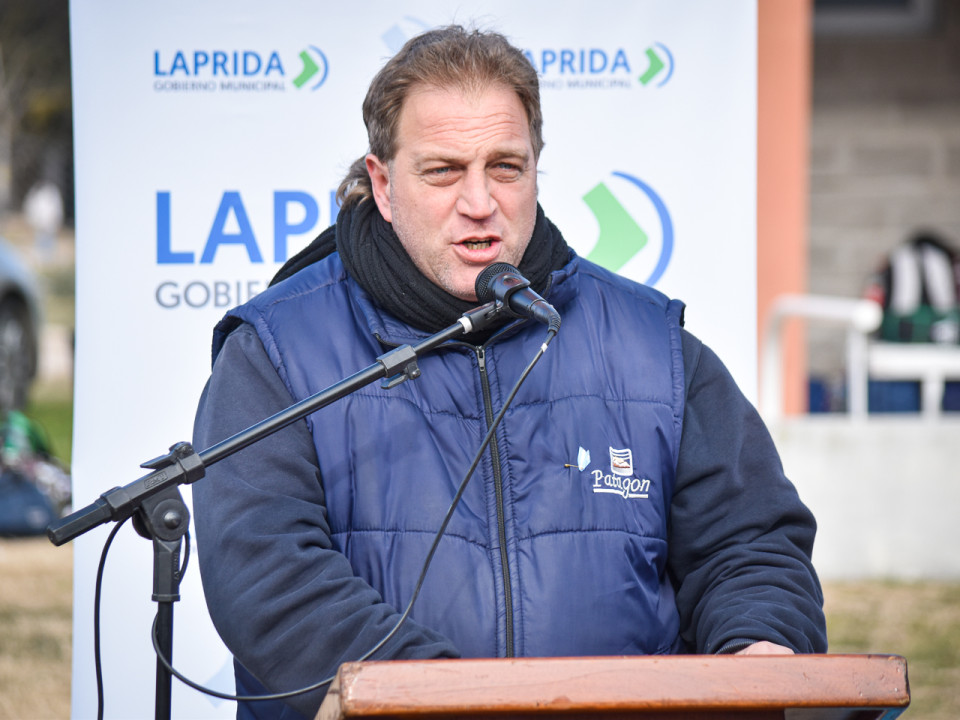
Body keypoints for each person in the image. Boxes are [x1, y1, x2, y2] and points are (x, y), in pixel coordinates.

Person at [192, 25, 827, 720]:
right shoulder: (277, 349)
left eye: (505, 167)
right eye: (443, 171)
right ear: (383, 184)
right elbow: (266, 572)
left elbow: (749, 545)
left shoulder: (655, 346)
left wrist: (761, 641)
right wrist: (440, 701)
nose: (479, 202)